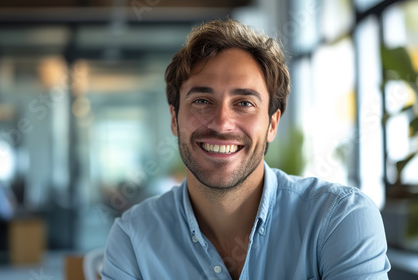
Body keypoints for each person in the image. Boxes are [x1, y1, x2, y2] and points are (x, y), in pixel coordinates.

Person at [101, 19, 390, 280]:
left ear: (272, 124)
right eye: (202, 100)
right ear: (175, 119)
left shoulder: (339, 219)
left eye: (244, 103)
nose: (222, 123)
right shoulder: (132, 237)